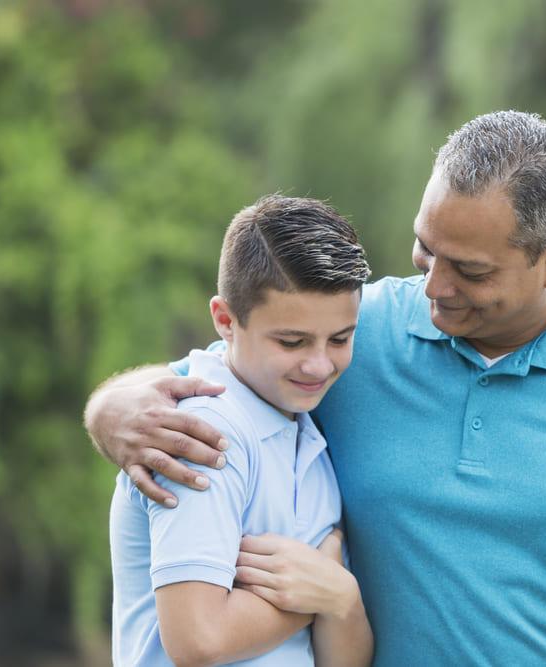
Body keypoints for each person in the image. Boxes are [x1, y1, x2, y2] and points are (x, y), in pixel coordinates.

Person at [88, 111, 546, 665]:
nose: (432, 286)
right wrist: (116, 409)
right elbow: (232, 366)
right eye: (425, 249)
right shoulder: (356, 336)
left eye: (469, 270)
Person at [107, 195, 373, 666]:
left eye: (340, 339)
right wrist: (320, 591)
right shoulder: (202, 430)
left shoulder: (306, 429)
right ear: (226, 321)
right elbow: (198, 640)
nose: (319, 364)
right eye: (292, 342)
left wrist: (342, 598)